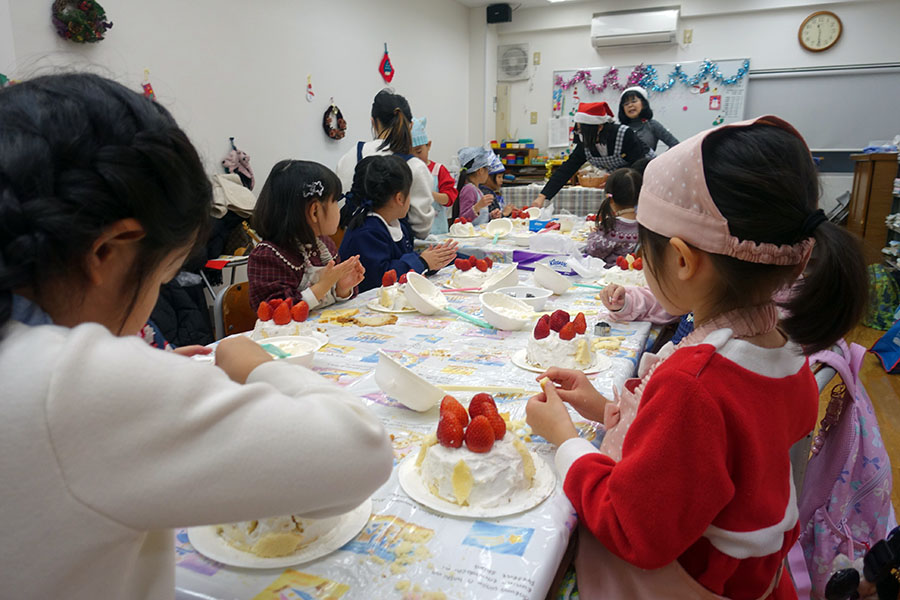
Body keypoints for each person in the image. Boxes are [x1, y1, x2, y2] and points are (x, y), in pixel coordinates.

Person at [0, 73, 394, 599]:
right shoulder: (67, 384)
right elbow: (361, 453)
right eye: (160, 279)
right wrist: (256, 364)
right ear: (106, 253)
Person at [526, 116, 867, 599]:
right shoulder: (785, 348)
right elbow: (700, 460)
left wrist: (564, 441)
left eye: (646, 251)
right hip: (754, 578)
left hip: (683, 583)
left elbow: (630, 526)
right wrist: (604, 409)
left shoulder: (694, 383)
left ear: (683, 260)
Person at [248, 160, 364, 311]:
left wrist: (342, 288)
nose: (338, 208)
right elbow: (277, 311)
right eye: (335, 201)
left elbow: (333, 300)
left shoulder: (325, 245)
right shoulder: (268, 256)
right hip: (290, 334)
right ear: (314, 211)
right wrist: (323, 285)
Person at [339, 155, 457, 293]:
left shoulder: (398, 224)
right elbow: (380, 278)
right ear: (400, 198)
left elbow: (402, 261)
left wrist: (431, 263)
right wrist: (422, 262)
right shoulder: (366, 232)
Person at [336, 89, 434, 239]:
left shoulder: (350, 155)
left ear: (373, 122)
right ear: (410, 126)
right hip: (394, 254)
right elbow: (422, 229)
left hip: (348, 248)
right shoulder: (415, 166)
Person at [533, 102, 652, 208]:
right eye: (578, 130)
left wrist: (617, 179)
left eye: (583, 131)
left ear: (600, 127)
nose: (580, 135)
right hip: (616, 182)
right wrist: (543, 196)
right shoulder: (584, 141)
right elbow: (567, 168)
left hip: (642, 177)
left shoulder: (624, 134)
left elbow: (639, 164)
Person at [584, 167, 642, 266]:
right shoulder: (645, 223)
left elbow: (593, 252)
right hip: (632, 274)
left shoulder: (611, 227)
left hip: (607, 275)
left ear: (610, 199)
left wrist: (593, 235)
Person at [410, 117, 458, 235]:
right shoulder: (407, 170)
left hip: (438, 231)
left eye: (419, 151)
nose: (415, 157)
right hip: (414, 231)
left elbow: (449, 199)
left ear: (429, 145)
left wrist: (429, 194)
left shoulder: (438, 170)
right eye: (409, 153)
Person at [618, 86, 679, 153]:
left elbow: (675, 145)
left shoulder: (652, 125)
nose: (630, 105)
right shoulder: (620, 129)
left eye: (634, 101)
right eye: (626, 104)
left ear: (643, 104)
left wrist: (661, 160)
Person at [455, 146, 500, 224]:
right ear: (480, 170)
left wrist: (490, 216)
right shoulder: (469, 189)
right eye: (487, 170)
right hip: (471, 234)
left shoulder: (477, 189)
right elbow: (463, 219)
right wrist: (477, 207)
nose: (488, 174)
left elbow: (479, 218)